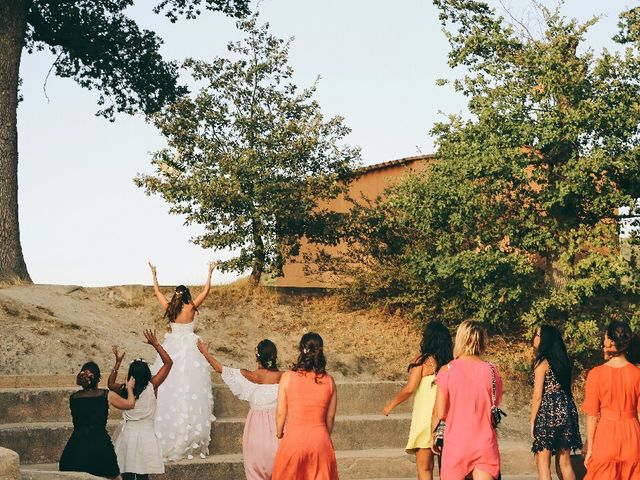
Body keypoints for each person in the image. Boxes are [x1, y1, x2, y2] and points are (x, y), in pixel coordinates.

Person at [147, 260, 217, 461]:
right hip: (190, 349)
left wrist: (154, 276)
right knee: (192, 387)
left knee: (169, 385)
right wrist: (210, 273)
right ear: (187, 295)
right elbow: (206, 290)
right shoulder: (192, 306)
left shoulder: (170, 307)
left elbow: (157, 293)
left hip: (172, 347)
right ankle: (191, 432)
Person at [198, 339, 283, 480]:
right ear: (274, 356)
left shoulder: (249, 376)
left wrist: (205, 352)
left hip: (256, 432)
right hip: (279, 431)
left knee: (255, 472)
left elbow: (220, 369)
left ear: (257, 356)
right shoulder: (284, 377)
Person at [382, 321, 453, 480]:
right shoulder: (451, 365)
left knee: (425, 469)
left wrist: (389, 406)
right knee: (447, 470)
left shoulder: (423, 361)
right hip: (445, 420)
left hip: (425, 421)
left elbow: (409, 388)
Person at [434, 320, 503, 480]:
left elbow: (441, 412)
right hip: (485, 443)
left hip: (457, 443)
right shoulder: (492, 371)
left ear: (460, 339)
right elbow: (496, 402)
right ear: (482, 341)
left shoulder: (447, 370)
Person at [272, 332, 338, 480]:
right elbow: (330, 417)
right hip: (320, 441)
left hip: (293, 440)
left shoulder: (288, 377)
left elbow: (281, 413)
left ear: (301, 350)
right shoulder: (329, 381)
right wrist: (323, 436)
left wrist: (279, 434)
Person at [108, 330, 173, 480]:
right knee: (143, 475)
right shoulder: (152, 386)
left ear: (131, 373)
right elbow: (168, 363)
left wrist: (117, 363)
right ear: (147, 373)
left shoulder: (124, 389)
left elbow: (110, 384)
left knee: (127, 473)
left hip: (128, 436)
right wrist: (156, 344)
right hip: (146, 436)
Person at [583, 320, 640, 479]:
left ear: (610, 342)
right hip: (633, 437)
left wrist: (590, 449)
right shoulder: (637, 374)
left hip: (606, 436)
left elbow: (592, 416)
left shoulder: (596, 374)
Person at [59, 362, 136, 479]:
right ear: (98, 379)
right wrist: (129, 388)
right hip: (100, 446)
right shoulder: (106, 395)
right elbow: (130, 404)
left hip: (76, 448)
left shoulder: (73, 398)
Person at [530, 325, 582, 480]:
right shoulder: (562, 362)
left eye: (538, 335)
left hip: (548, 412)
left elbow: (537, 395)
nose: (535, 337)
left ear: (545, 340)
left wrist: (532, 420)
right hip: (567, 411)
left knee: (543, 462)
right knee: (564, 462)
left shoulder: (542, 363)